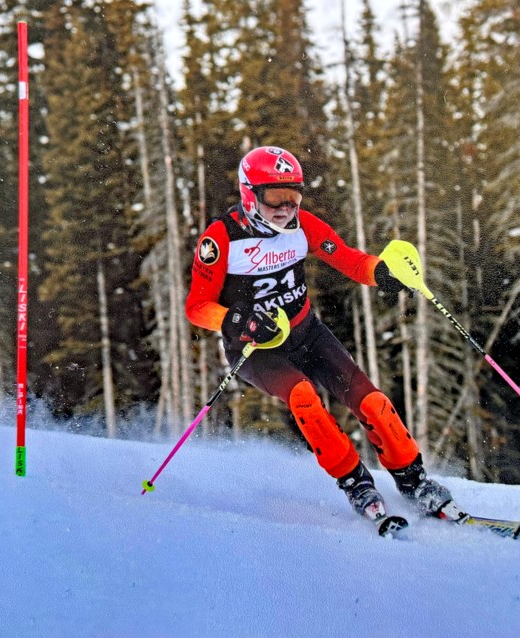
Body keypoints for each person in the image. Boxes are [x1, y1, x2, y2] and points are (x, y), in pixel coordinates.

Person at [185, 145, 460, 524]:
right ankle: (355, 483)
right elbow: (197, 307)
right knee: (304, 399)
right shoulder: (221, 239)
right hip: (258, 350)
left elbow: (347, 257)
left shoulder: (303, 225)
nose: (286, 208)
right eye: (275, 198)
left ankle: (414, 481)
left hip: (308, 334)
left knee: (373, 402)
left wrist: (382, 273)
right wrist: (238, 320)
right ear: (250, 194)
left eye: (293, 198)